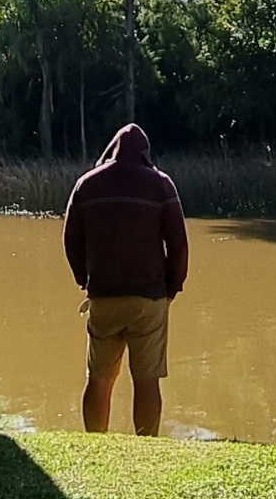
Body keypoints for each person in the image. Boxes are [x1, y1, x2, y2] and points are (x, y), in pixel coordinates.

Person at [63, 124, 189, 437]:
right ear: (146, 154)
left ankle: (96, 442)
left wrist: (84, 279)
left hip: (103, 296)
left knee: (100, 378)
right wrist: (172, 287)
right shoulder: (161, 184)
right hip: (149, 298)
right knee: (146, 379)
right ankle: (145, 445)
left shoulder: (86, 185)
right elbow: (178, 245)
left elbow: (70, 240)